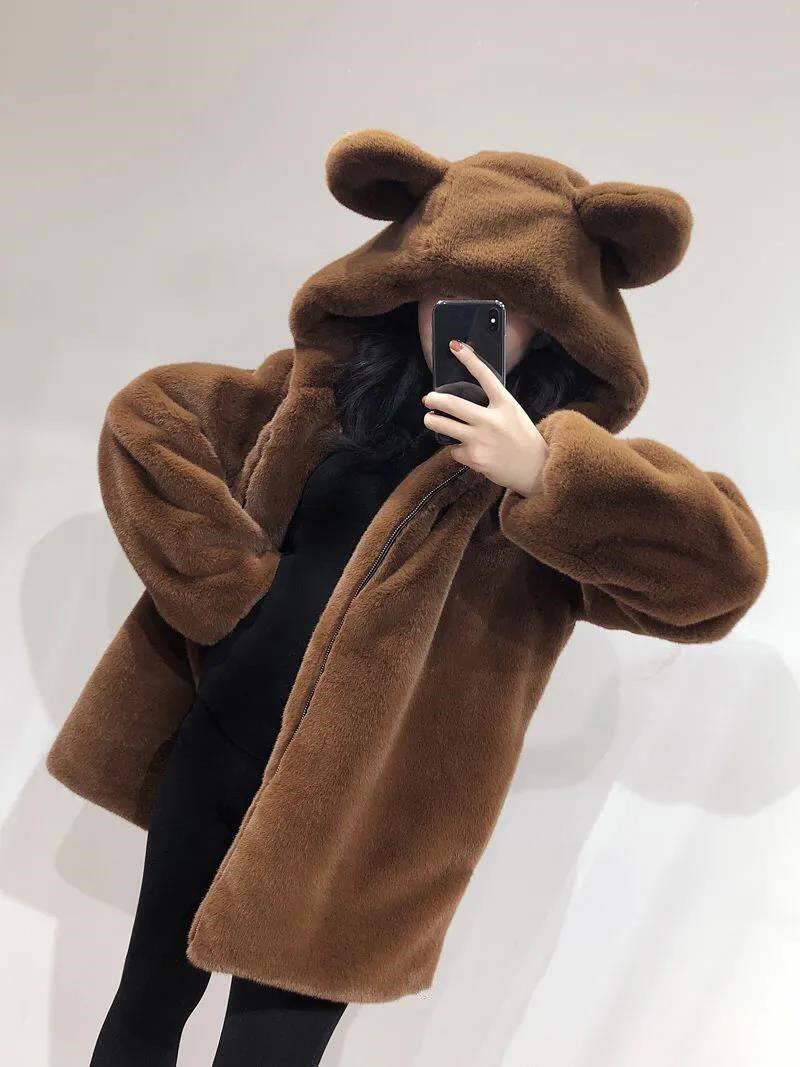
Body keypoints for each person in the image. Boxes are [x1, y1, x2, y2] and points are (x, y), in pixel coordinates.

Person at [47, 129, 768, 1065]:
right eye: (451, 293)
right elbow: (148, 419)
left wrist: (545, 473)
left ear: (561, 324)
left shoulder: (555, 482)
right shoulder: (317, 397)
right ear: (408, 282)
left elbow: (725, 576)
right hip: (216, 757)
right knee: (141, 1018)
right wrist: (228, 600)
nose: (468, 327)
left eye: (511, 309)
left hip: (360, 840)